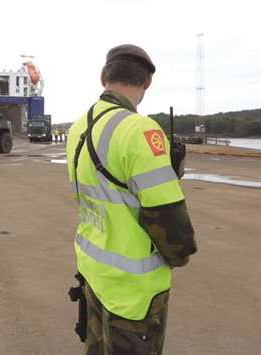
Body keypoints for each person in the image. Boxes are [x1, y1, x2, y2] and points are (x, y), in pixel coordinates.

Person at [66, 44, 197, 355]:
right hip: (133, 291)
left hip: (94, 273)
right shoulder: (139, 129)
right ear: (146, 83)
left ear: (104, 77)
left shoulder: (78, 127)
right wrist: (181, 255)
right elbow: (169, 221)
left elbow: (108, 193)